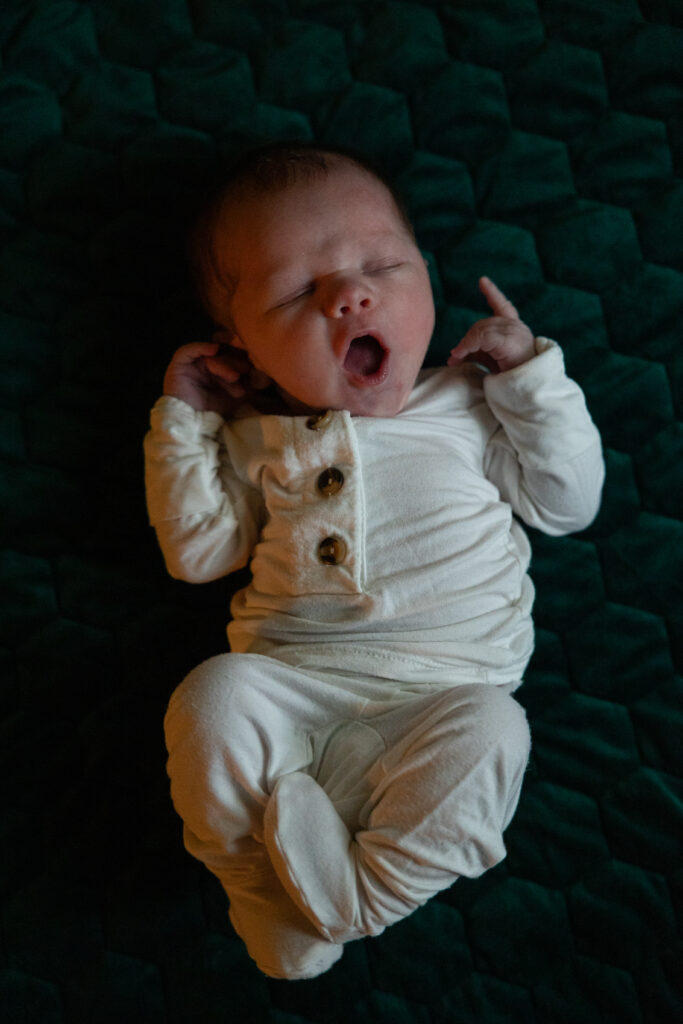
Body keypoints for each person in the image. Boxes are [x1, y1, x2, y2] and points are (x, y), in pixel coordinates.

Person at [144, 142, 604, 980]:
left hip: (441, 693)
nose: (349, 294)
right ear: (239, 348)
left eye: (381, 265)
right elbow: (199, 555)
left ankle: (360, 899)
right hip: (293, 690)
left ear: (426, 279)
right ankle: (256, 882)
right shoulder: (253, 440)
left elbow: (567, 503)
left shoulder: (472, 404)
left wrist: (532, 378)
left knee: (496, 733)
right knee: (210, 698)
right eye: (295, 292)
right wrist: (185, 424)